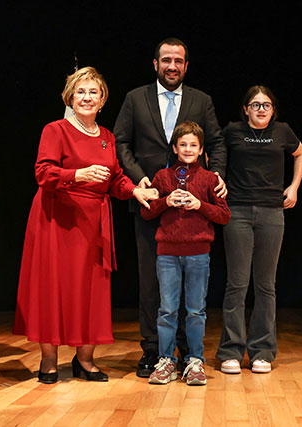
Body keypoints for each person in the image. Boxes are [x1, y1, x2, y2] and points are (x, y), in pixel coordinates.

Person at [13, 66, 158, 384]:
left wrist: (135, 190)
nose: (87, 97)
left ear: (103, 100)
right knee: (53, 287)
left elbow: (114, 178)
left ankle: (85, 360)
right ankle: (49, 360)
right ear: (70, 97)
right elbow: (43, 173)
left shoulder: (107, 137)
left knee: (90, 290)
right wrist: (76, 175)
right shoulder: (56, 130)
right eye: (81, 92)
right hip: (57, 220)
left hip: (93, 224)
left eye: (94, 92)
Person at [114, 37, 227, 377]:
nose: (172, 66)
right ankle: (154, 351)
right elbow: (121, 142)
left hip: (192, 209)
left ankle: (187, 352)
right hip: (150, 200)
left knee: (190, 288)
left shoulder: (201, 100)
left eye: (178, 61)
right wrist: (139, 180)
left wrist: (216, 175)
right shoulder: (135, 98)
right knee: (151, 282)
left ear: (186, 66)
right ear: (155, 64)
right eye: (166, 60)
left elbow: (217, 141)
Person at [216, 85, 302, 374]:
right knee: (237, 284)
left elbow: (301, 153)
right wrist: (217, 178)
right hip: (238, 212)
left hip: (272, 212)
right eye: (255, 105)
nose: (261, 109)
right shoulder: (232, 131)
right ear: (245, 109)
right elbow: (213, 154)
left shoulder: (282, 131)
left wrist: (294, 186)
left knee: (266, 285)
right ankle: (231, 351)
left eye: (266, 105)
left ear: (273, 109)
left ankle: (262, 352)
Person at [141, 121, 230, 386]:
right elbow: (146, 212)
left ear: (202, 150)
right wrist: (165, 202)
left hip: (198, 254)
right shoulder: (162, 177)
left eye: (193, 145)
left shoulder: (210, 179)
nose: (188, 149)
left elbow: (224, 215)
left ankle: (194, 361)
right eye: (183, 145)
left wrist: (200, 205)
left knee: (195, 311)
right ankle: (166, 361)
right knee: (167, 310)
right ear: (174, 148)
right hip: (167, 254)